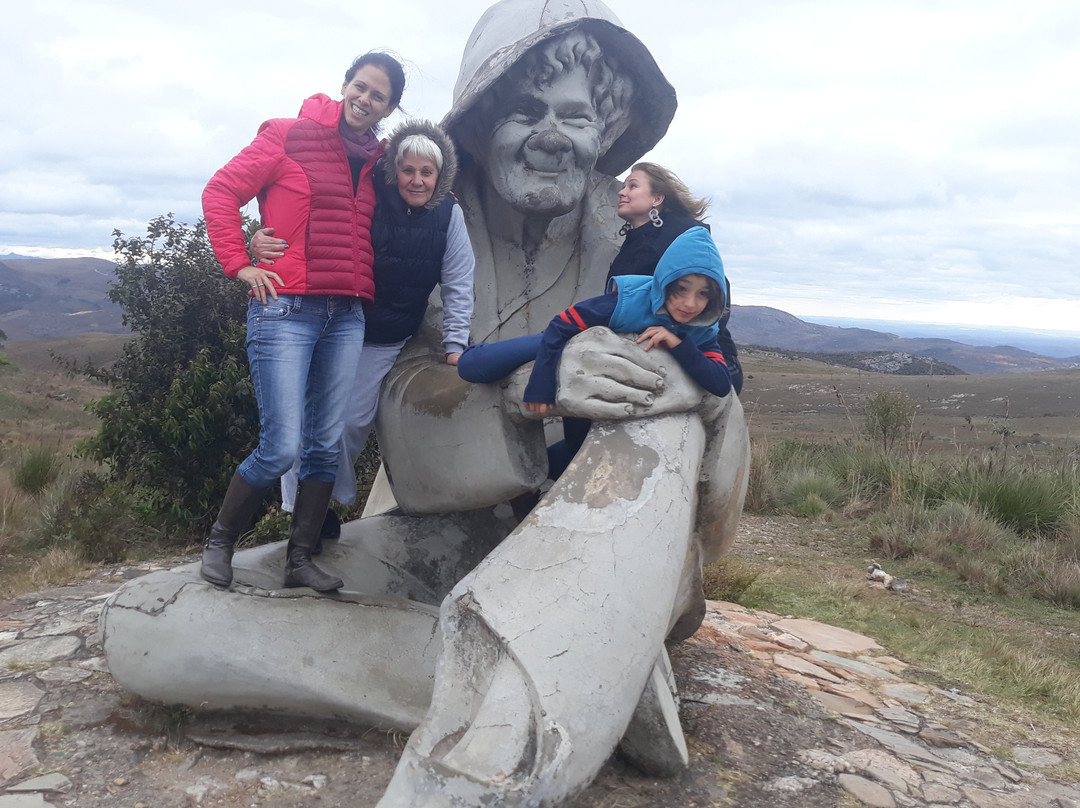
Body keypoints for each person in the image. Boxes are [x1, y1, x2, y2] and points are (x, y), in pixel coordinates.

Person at [199, 51, 405, 592]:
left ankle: (300, 558)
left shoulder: (380, 162)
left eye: (377, 95)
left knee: (324, 444)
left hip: (347, 313)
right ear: (344, 86)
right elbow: (221, 191)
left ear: (389, 106)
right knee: (282, 445)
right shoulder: (288, 135)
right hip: (286, 307)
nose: (364, 99)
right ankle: (220, 540)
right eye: (359, 87)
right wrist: (240, 261)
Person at [251, 121, 474, 533]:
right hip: (336, 320)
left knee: (351, 423)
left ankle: (325, 501)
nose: (417, 180)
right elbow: (314, 215)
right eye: (409, 170)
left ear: (440, 176)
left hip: (384, 336)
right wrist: (258, 236)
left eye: (427, 172)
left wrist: (455, 344)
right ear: (395, 170)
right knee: (304, 420)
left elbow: (459, 284)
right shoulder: (372, 196)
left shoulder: (449, 216)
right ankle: (303, 514)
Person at [457, 226, 733, 477]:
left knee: (574, 454)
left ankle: (538, 482)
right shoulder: (627, 301)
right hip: (570, 342)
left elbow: (720, 383)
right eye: (681, 289)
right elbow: (562, 324)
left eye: (703, 294)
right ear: (665, 282)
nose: (689, 303)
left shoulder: (703, 330)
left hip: (600, 381)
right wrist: (540, 385)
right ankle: (469, 351)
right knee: (473, 367)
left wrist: (678, 343)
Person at [612, 162, 744, 395]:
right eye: (623, 186)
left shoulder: (682, 235)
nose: (622, 192)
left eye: (632, 186)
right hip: (652, 346)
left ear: (657, 198)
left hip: (705, 357)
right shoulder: (635, 241)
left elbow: (718, 290)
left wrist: (676, 336)